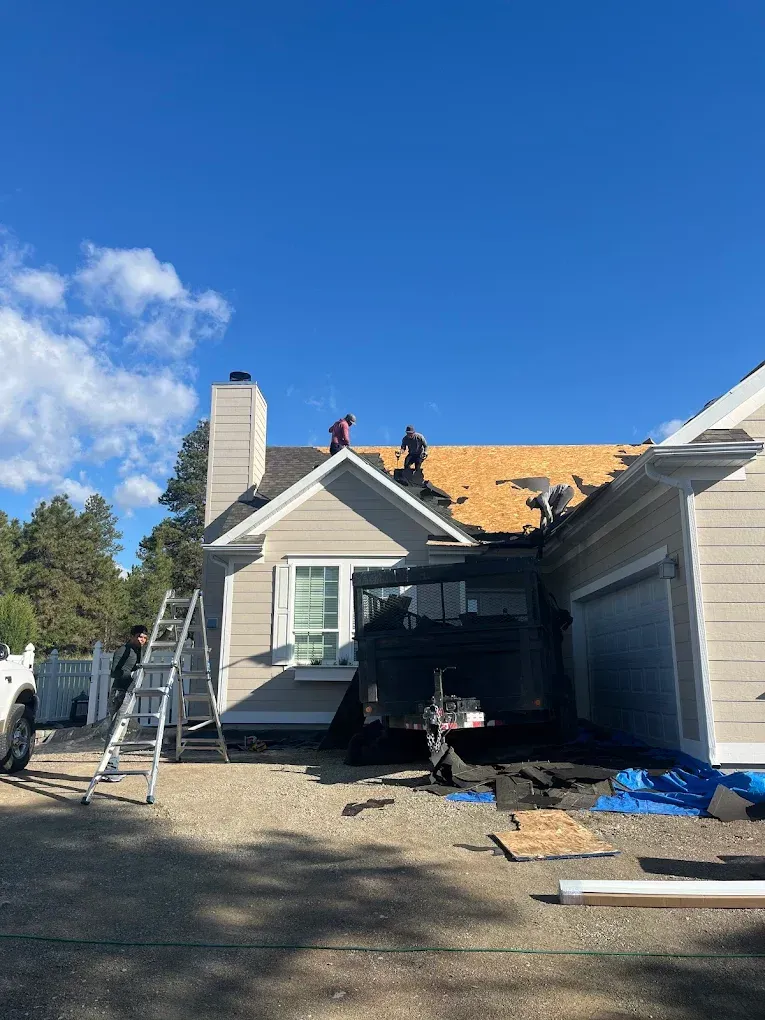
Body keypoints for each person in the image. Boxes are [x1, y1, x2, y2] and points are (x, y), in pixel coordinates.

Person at [102, 624, 149, 782]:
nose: (142, 640)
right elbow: (115, 672)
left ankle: (111, 768)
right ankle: (109, 769)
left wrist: (169, 630)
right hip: (120, 693)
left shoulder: (139, 650)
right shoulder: (123, 650)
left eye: (144, 637)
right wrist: (131, 674)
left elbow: (157, 643)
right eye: (139, 637)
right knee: (116, 731)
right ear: (132, 636)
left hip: (128, 693)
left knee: (119, 732)